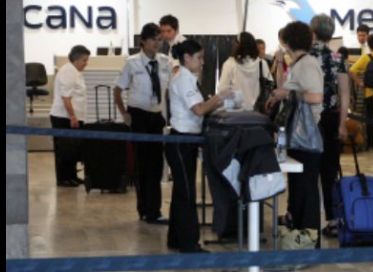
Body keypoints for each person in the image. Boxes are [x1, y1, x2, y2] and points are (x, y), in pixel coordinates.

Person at [165, 39, 231, 253]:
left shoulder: (188, 78)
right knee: (186, 193)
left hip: (187, 140)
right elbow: (199, 109)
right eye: (199, 58)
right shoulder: (183, 79)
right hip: (181, 141)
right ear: (187, 58)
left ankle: (176, 238)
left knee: (181, 191)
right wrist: (219, 98)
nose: (202, 62)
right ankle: (188, 243)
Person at [266, 21, 324, 245]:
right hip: (298, 135)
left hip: (307, 134)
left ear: (288, 41)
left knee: (306, 186)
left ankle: (309, 237)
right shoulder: (298, 63)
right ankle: (299, 233)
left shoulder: (308, 64)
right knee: (299, 186)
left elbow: (316, 97)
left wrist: (288, 95)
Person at [114, 23, 171, 224]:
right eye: (153, 39)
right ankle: (144, 209)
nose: (157, 43)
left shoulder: (165, 61)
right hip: (138, 115)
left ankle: (154, 210)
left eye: (160, 40)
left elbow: (169, 88)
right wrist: (124, 114)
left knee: (156, 164)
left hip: (156, 115)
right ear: (143, 41)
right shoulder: (132, 63)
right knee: (142, 164)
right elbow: (117, 90)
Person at [309, 13, 350, 238]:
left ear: (312, 31)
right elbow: (344, 94)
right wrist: (342, 123)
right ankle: (333, 219)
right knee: (330, 170)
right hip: (331, 118)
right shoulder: (338, 58)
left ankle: (306, 219)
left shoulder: (304, 56)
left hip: (308, 118)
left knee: (307, 169)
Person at [49, 45, 90, 187]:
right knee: (65, 149)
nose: (86, 63)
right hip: (64, 117)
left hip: (72, 117)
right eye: (84, 60)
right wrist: (72, 116)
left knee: (73, 148)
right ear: (76, 59)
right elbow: (66, 98)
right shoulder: (68, 71)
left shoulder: (74, 71)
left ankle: (72, 175)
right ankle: (64, 178)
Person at [218, 31, 273, 111]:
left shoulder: (230, 64)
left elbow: (222, 90)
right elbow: (270, 85)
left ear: (237, 46)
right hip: (257, 111)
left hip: (235, 112)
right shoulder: (261, 63)